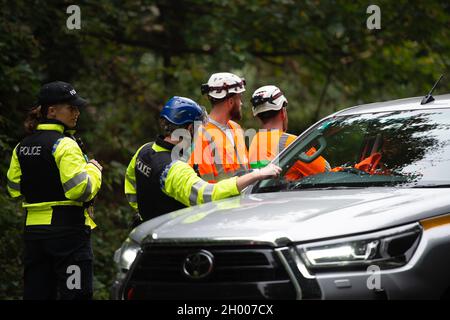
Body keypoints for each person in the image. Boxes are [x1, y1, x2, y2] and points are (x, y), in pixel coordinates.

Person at [6, 81, 102, 300]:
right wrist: (94, 170)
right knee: (75, 295)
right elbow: (81, 190)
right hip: (67, 234)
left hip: (33, 234)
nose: (77, 112)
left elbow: (13, 188)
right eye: (71, 107)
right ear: (51, 110)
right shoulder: (65, 144)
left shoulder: (22, 146)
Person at [125, 96, 281, 225]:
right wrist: (256, 175)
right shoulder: (175, 169)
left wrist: (144, 213)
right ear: (189, 129)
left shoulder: (144, 150)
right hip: (173, 237)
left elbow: (131, 186)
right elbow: (208, 195)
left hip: (148, 228)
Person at [248, 85, 329, 180]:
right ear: (283, 112)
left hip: (262, 194)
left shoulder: (254, 142)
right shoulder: (291, 142)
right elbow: (326, 173)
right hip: (287, 194)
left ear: (258, 116)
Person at [188, 72, 250, 183]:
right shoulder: (202, 136)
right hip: (221, 200)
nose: (241, 103)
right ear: (231, 102)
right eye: (239, 98)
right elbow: (205, 188)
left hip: (245, 199)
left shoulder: (236, 128)